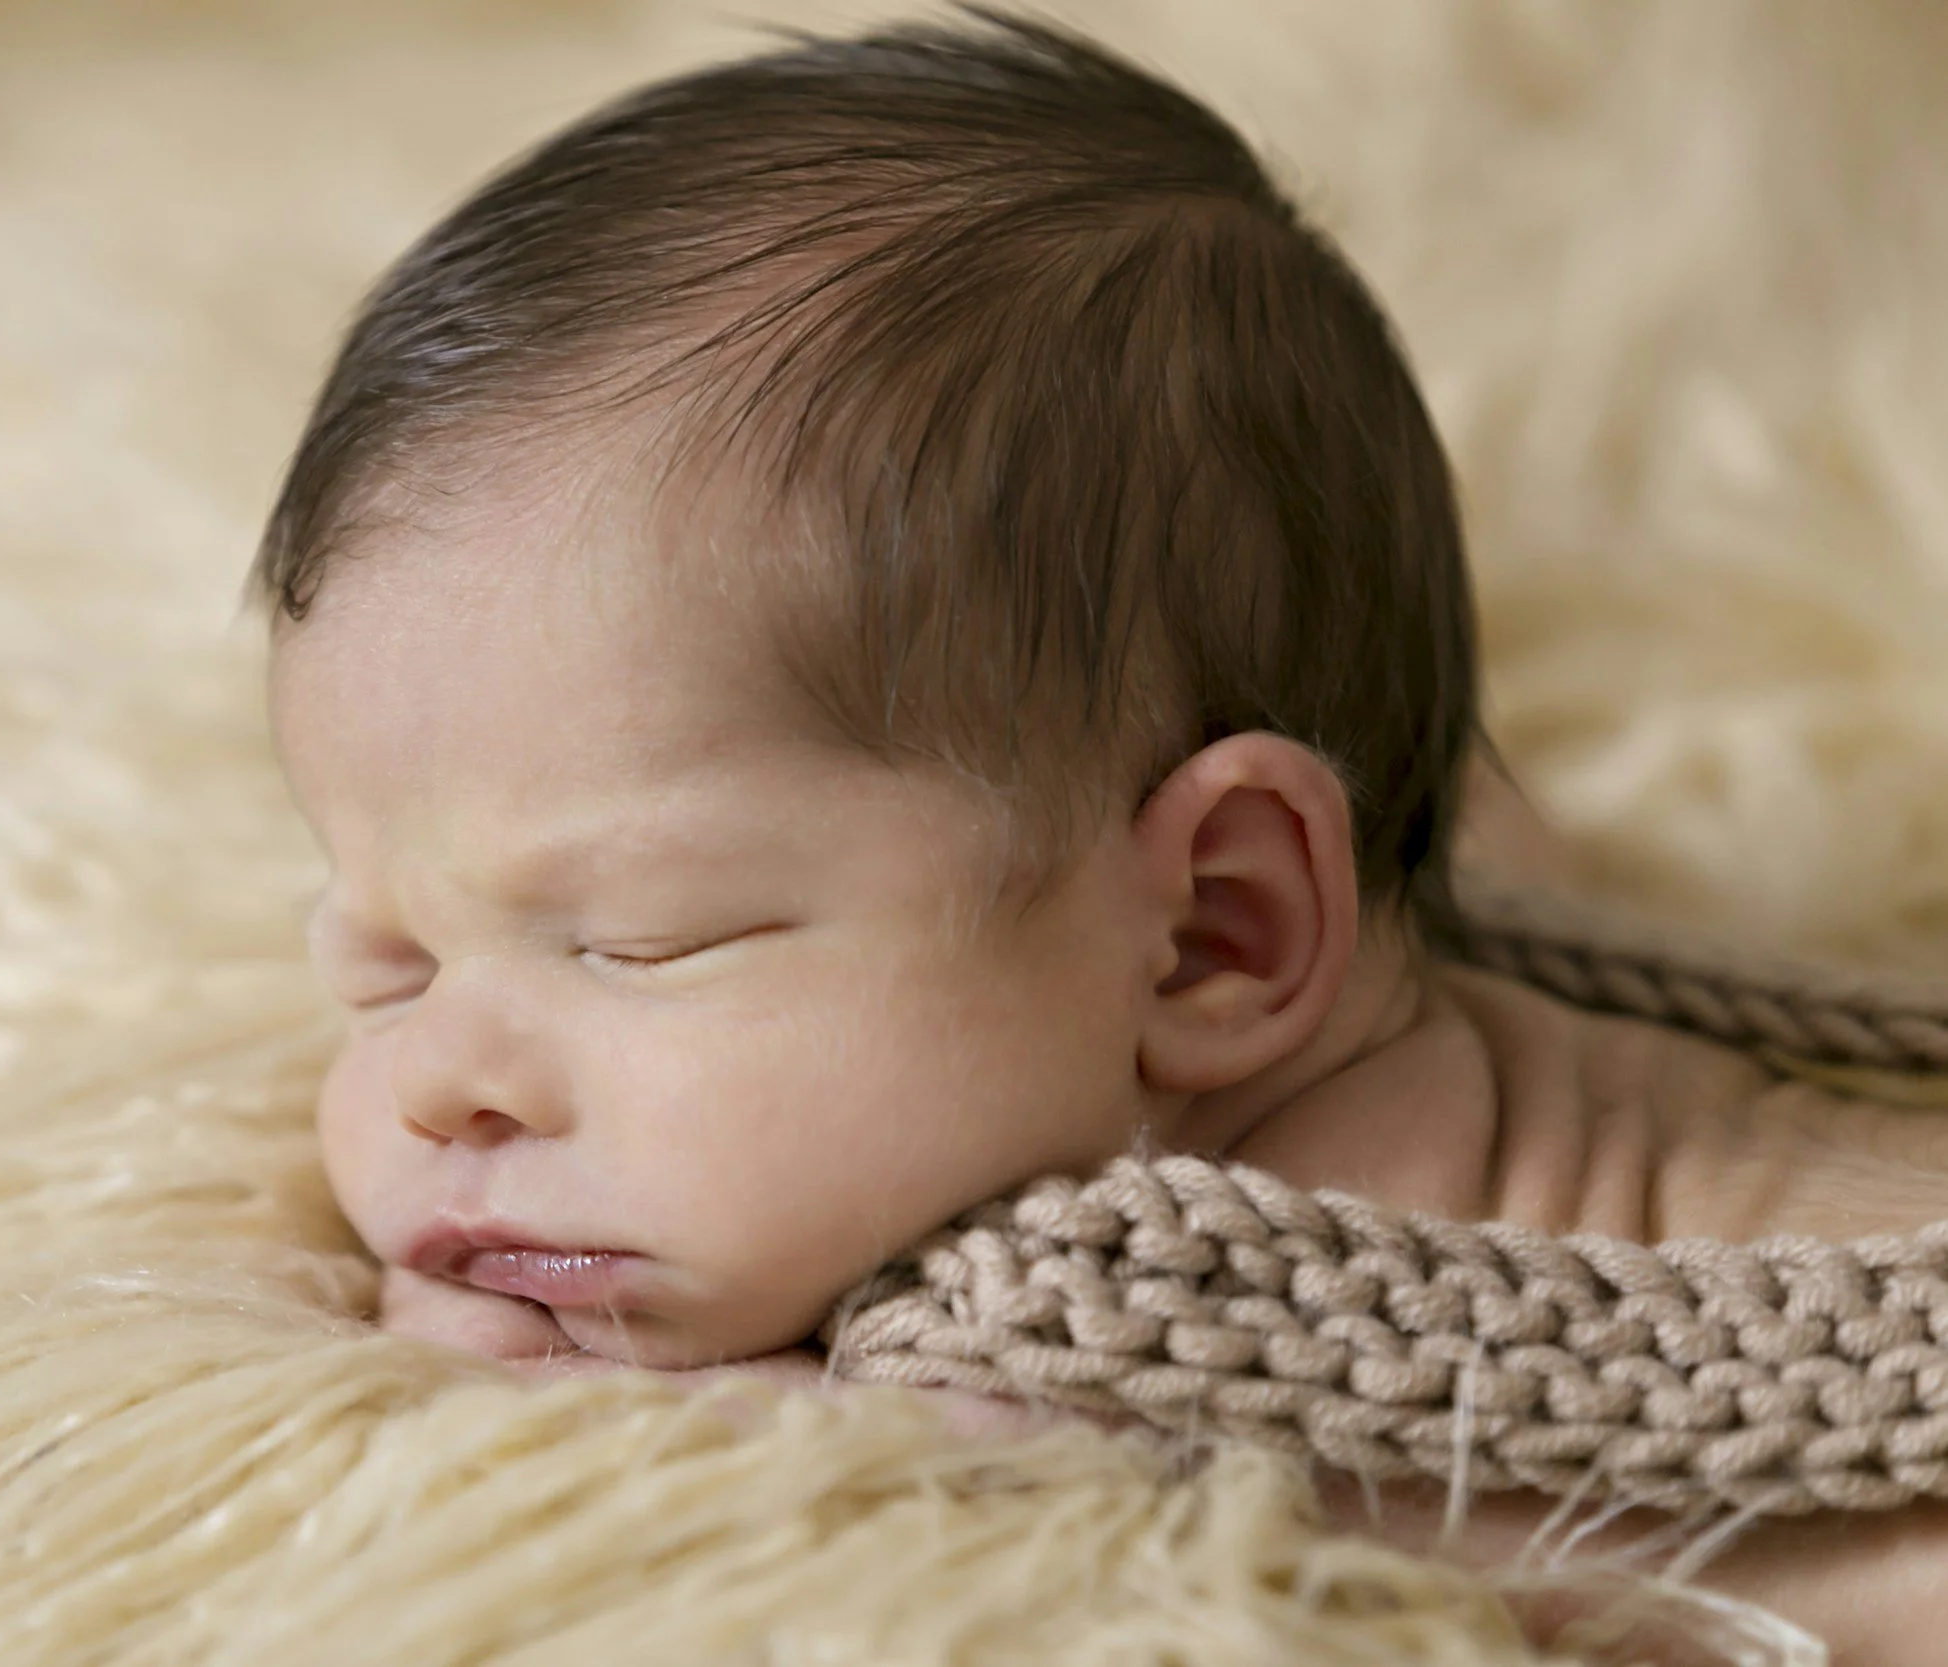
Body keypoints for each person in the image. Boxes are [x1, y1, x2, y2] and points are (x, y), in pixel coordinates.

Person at [254, 10, 1948, 1657]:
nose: (437, 1079)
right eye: (384, 961)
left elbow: (834, 1501)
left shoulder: (1074, 1379)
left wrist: (651, 1414)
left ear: (1222, 930)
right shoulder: (1341, 989)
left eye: (645, 938)